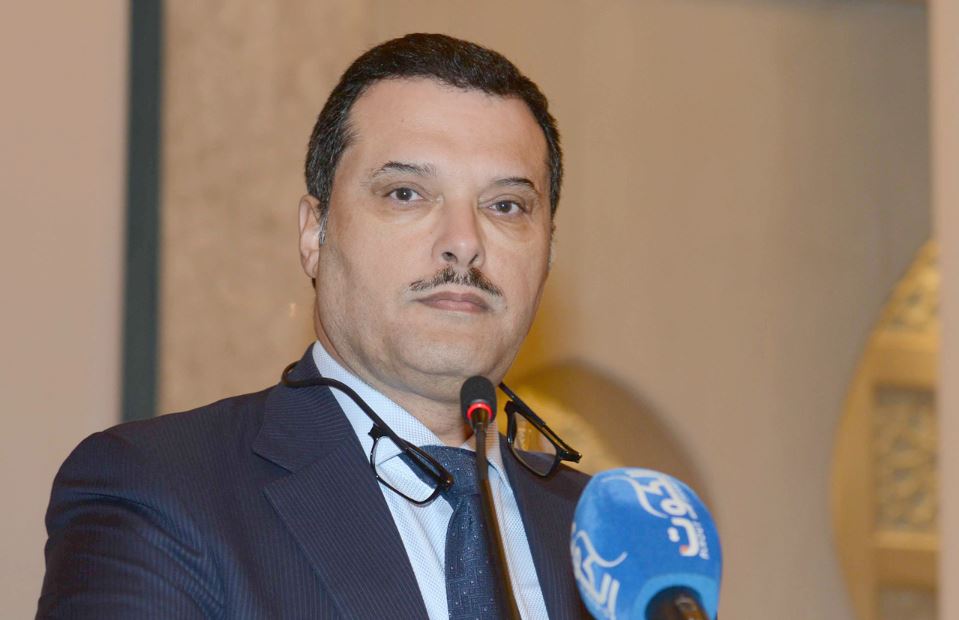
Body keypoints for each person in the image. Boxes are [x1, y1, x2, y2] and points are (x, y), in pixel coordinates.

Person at [38, 33, 589, 619]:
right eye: (406, 193)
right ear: (313, 235)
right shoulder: (159, 489)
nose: (463, 242)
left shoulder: (608, 539)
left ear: (547, 255)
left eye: (506, 205)